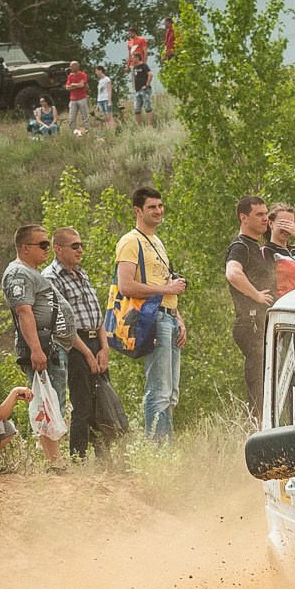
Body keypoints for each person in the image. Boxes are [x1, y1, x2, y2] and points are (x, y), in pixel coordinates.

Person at [112, 186, 187, 439]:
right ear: (138, 211)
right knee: (159, 390)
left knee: (171, 392)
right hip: (153, 319)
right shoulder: (130, 241)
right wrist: (167, 289)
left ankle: (165, 447)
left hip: (168, 316)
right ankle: (158, 450)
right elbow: (126, 285)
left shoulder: (156, 241)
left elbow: (164, 284)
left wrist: (178, 317)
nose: (158, 211)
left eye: (160, 206)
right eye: (152, 207)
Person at [1, 224, 67, 471]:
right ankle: (54, 462)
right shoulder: (18, 273)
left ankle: (56, 459)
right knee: (45, 400)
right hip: (39, 347)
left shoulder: (31, 272)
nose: (47, 249)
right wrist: (36, 350)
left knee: (54, 398)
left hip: (49, 345)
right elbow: (23, 311)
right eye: (42, 244)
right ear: (25, 248)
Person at [45, 227, 113, 460]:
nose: (80, 250)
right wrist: (86, 353)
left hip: (97, 341)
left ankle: (104, 458)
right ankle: (78, 458)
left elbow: (97, 314)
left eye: (81, 245)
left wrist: (105, 348)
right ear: (58, 249)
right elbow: (62, 322)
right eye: (75, 246)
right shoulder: (51, 277)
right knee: (82, 403)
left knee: (100, 401)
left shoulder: (82, 274)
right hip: (75, 345)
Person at [223, 194, 276, 419]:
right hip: (251, 323)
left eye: (266, 214)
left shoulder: (255, 246)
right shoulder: (240, 246)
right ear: (243, 218)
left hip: (262, 322)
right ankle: (258, 428)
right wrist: (256, 295)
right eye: (259, 214)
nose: (265, 218)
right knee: (259, 380)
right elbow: (233, 273)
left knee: (270, 378)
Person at [63, 61, 90, 135]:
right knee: (71, 117)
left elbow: (82, 85)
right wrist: (77, 85)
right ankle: (73, 132)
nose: (70, 68)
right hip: (73, 99)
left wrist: (73, 84)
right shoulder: (70, 76)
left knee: (85, 116)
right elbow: (67, 88)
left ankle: (87, 130)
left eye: (72, 66)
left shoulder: (83, 74)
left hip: (82, 98)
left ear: (76, 66)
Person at [131, 60, 153, 126]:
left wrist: (147, 84)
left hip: (145, 90)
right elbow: (134, 78)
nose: (132, 60)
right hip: (137, 91)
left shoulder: (144, 66)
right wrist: (133, 86)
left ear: (137, 58)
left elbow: (150, 74)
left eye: (133, 58)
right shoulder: (134, 68)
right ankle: (140, 127)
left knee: (147, 107)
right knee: (137, 109)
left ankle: (149, 126)